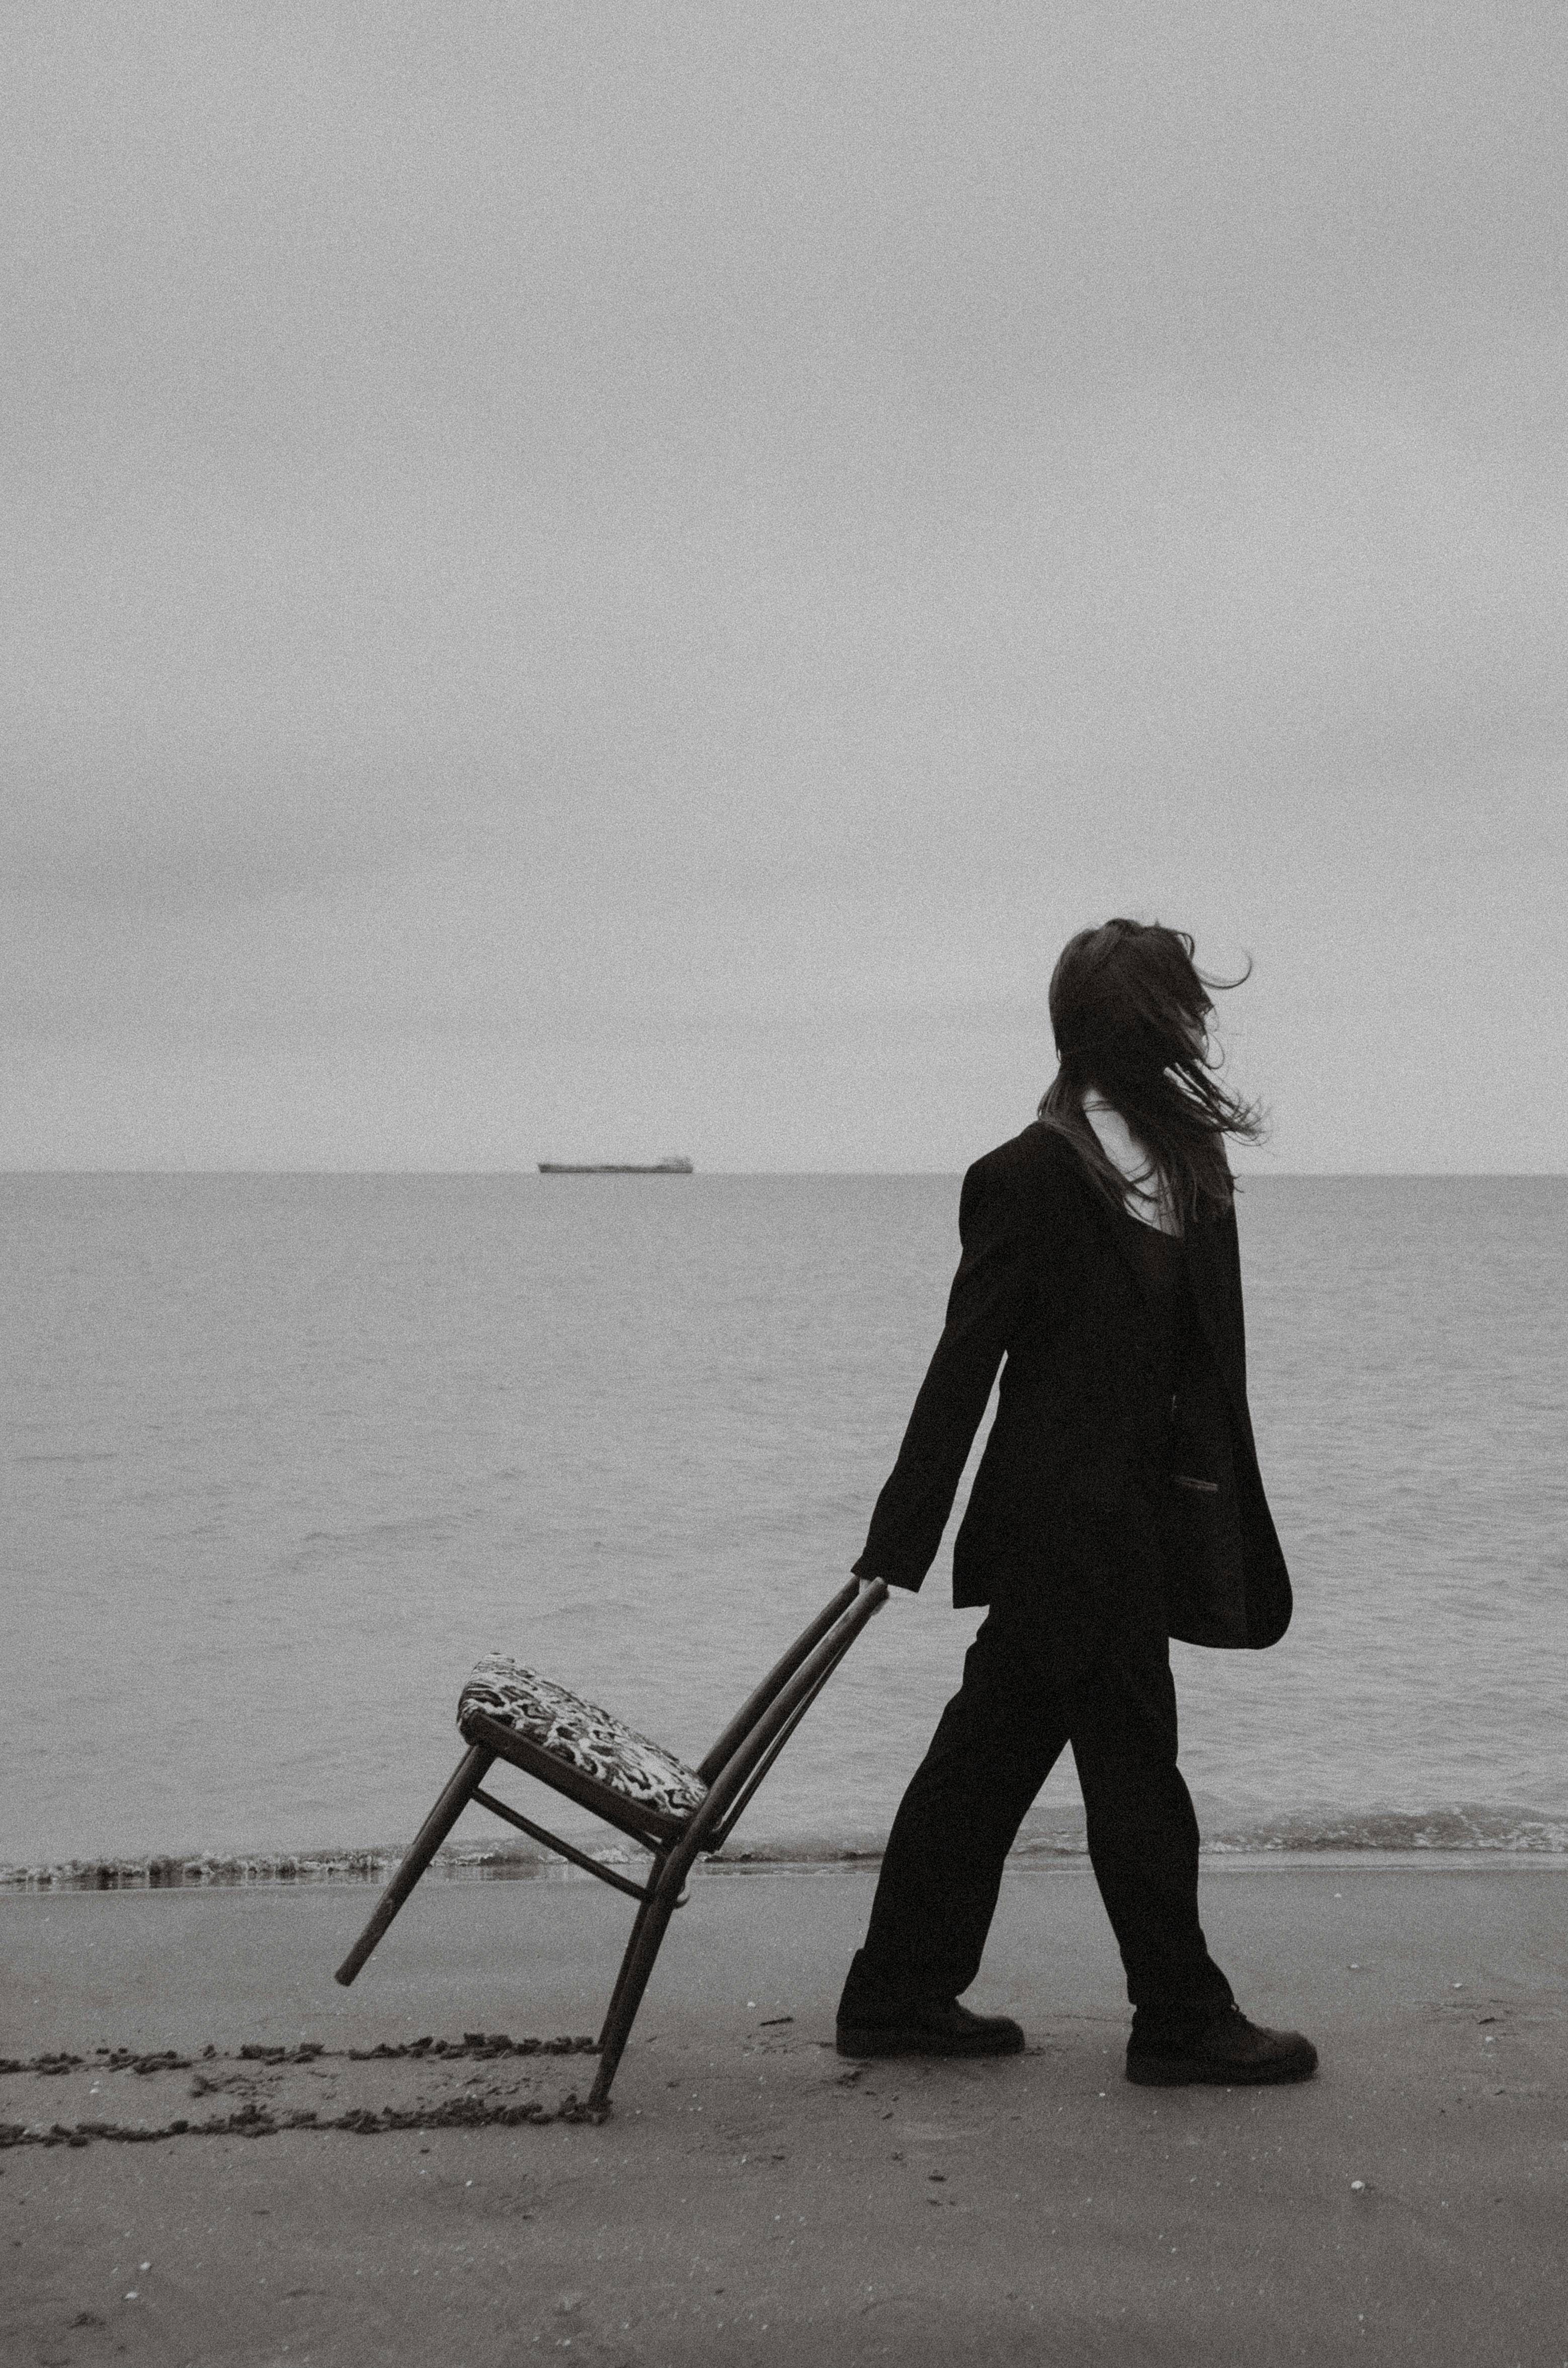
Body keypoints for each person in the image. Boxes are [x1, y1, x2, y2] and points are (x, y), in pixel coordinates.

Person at [836, 918, 1316, 2087]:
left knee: (991, 1756)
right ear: (1143, 1025)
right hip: (1057, 1528)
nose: (1196, 1026)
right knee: (1131, 1760)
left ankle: (897, 1991)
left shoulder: (1193, 1172)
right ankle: (1175, 2012)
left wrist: (1217, 1520)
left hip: (1139, 1528)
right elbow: (964, 1365)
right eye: (1180, 1008)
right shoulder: (1026, 1176)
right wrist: (897, 1540)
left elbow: (1207, 1373)